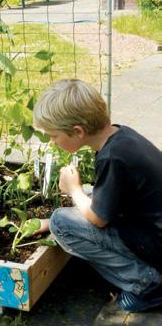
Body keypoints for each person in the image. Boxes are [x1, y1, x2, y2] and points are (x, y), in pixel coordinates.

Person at [33, 79, 162, 312]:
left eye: (53, 136)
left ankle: (146, 284)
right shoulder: (121, 136)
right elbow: (109, 196)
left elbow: (98, 219)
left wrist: (73, 189)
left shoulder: (112, 158)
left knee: (61, 222)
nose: (52, 142)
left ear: (77, 132)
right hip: (150, 226)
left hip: (154, 244)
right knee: (91, 192)